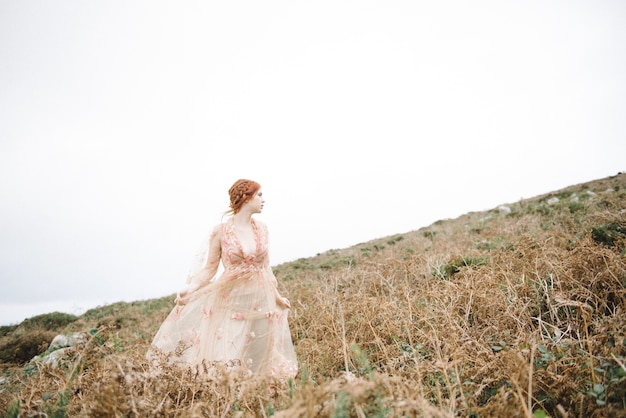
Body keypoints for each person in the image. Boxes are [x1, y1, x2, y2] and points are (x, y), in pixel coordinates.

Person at [148, 179, 298, 379]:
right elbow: (209, 269)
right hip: (233, 300)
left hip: (262, 299)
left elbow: (265, 268)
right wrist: (191, 287)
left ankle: (258, 399)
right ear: (246, 197)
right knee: (231, 350)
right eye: (260, 195)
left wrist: (277, 297)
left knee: (261, 350)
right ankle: (228, 396)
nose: (264, 200)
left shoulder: (262, 229)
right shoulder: (221, 232)